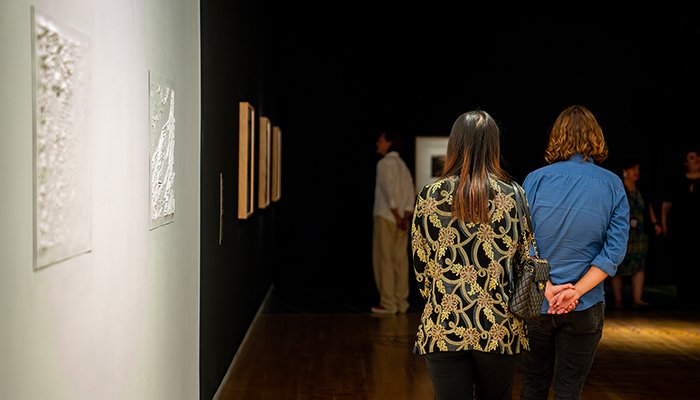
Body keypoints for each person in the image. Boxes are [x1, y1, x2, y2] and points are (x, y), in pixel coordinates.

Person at [411, 111, 574, 400]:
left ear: (454, 144)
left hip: (443, 324)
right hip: (499, 327)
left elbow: (421, 267)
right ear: (494, 147)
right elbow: (526, 259)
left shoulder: (429, 195)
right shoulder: (513, 195)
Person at [519, 105, 630, 400]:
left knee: (532, 385)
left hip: (537, 302)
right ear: (597, 137)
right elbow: (615, 251)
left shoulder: (534, 180)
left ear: (556, 137)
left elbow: (521, 241)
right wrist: (575, 292)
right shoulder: (613, 184)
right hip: (586, 304)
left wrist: (548, 288)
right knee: (569, 392)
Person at [371, 131, 416, 315]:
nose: (377, 144)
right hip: (401, 220)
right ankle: (401, 302)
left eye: (381, 141)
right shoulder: (403, 165)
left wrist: (397, 216)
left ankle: (388, 303)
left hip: (387, 217)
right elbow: (410, 192)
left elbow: (388, 192)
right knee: (400, 261)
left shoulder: (384, 164)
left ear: (389, 143)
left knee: (385, 260)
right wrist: (405, 216)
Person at [611, 160, 661, 309]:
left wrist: (655, 223)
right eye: (633, 169)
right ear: (625, 170)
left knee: (639, 265)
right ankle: (618, 299)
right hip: (622, 232)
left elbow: (648, 206)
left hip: (639, 233)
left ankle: (637, 299)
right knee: (618, 266)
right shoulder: (618, 188)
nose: (636, 172)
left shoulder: (641, 188)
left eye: (638, 169)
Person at [661, 147, 700, 307]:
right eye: (692, 157)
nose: (696, 159)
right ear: (685, 162)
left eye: (698, 156)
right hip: (680, 230)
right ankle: (684, 298)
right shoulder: (678, 180)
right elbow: (666, 206)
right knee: (682, 263)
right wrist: (664, 224)